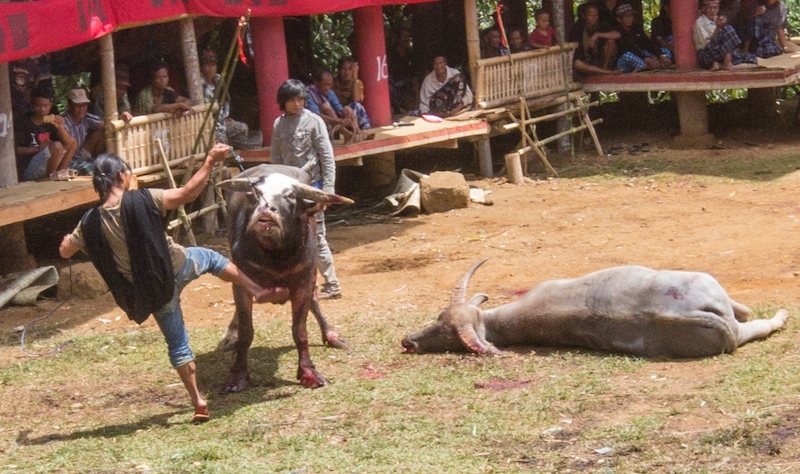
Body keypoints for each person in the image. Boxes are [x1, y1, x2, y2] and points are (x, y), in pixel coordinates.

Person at [58, 144, 287, 423]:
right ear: (121, 175)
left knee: (177, 344)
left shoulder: (89, 222)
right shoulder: (143, 199)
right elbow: (187, 193)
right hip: (178, 266)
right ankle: (257, 290)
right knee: (211, 258)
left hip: (152, 291)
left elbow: (66, 251)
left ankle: (198, 401)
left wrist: (67, 243)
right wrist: (210, 160)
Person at [271, 79, 343, 300]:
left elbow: (327, 158)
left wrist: (328, 190)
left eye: (301, 99)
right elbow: (275, 160)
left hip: (312, 188)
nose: (298, 103)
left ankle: (332, 284)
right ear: (283, 102)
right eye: (293, 100)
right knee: (289, 237)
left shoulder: (314, 122)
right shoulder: (278, 125)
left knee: (316, 237)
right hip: (287, 192)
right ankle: (299, 284)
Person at [199, 50, 263, 150]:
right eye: (207, 65)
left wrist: (225, 115)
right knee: (220, 139)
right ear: (202, 67)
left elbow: (225, 100)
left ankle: (234, 144)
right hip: (208, 123)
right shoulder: (199, 83)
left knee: (242, 128)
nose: (211, 68)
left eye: (213, 65)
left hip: (221, 119)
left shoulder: (218, 80)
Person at [14, 89, 77, 181]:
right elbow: (16, 150)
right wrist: (37, 149)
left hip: (48, 164)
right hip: (28, 168)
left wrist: (60, 127)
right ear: (32, 106)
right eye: (38, 106)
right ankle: (49, 178)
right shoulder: (24, 122)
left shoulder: (51, 121)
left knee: (73, 142)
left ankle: (60, 172)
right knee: (57, 146)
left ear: (50, 105)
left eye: (45, 105)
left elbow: (68, 143)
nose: (42, 109)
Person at [305, 68, 369, 143]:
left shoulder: (330, 93)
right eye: (324, 85)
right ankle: (347, 135)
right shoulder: (309, 93)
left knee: (348, 109)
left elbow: (338, 109)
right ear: (316, 83)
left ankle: (358, 131)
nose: (327, 88)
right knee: (327, 108)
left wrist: (346, 113)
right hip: (314, 126)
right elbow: (315, 115)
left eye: (329, 85)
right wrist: (338, 121)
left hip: (330, 124)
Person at [694, 0, 757, 70]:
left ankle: (720, 64)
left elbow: (725, 42)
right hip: (707, 55)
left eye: (715, 8)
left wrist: (722, 25)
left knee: (751, 58)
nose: (712, 11)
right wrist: (718, 28)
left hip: (721, 53)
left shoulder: (717, 19)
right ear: (703, 9)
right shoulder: (699, 22)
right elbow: (708, 45)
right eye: (710, 8)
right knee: (728, 28)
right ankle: (727, 62)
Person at [614, 3, 673, 73]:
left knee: (665, 51)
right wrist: (645, 59)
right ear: (619, 19)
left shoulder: (636, 28)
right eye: (626, 16)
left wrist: (659, 55)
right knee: (628, 56)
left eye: (631, 16)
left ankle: (653, 64)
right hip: (627, 59)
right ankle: (646, 66)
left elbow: (647, 42)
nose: (630, 19)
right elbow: (629, 48)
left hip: (641, 55)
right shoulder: (618, 32)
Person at [569, 3, 622, 76]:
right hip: (585, 60)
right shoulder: (577, 28)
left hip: (601, 59)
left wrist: (597, 35)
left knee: (611, 42)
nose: (594, 18)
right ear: (584, 16)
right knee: (577, 64)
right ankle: (606, 73)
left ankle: (605, 69)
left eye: (596, 15)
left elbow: (617, 34)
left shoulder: (602, 24)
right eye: (591, 16)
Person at [62, 88, 104, 175]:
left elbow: (105, 123)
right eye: (78, 105)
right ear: (69, 105)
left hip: (80, 156)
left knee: (102, 166)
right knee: (90, 169)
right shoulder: (63, 122)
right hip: (67, 161)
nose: (81, 109)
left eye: (84, 105)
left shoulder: (86, 118)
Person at [387, 26, 422, 114]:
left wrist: (417, 96)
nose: (405, 39)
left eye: (408, 37)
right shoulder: (390, 53)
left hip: (405, 87)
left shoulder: (410, 55)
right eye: (403, 36)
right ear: (398, 38)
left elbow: (414, 76)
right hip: (392, 86)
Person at [332, 57, 372, 130]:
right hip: (339, 114)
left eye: (350, 69)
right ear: (339, 70)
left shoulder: (357, 82)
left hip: (353, 114)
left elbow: (356, 100)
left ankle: (364, 129)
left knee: (357, 106)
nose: (347, 72)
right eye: (344, 69)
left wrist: (355, 78)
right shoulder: (333, 83)